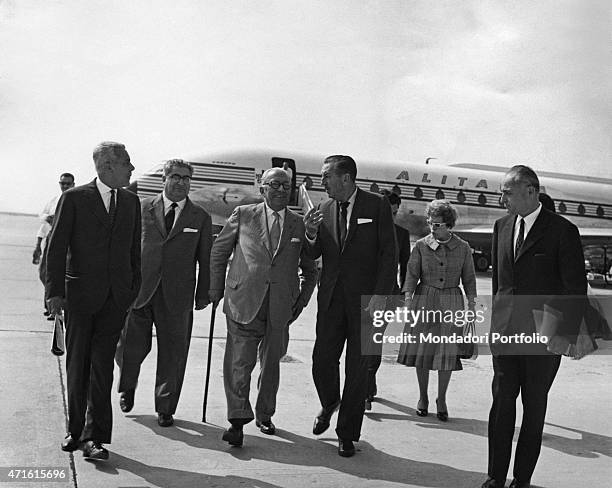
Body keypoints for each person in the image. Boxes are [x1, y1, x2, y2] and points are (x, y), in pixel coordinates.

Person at [482, 165, 586, 488]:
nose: (502, 199)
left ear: (531, 191)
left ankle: (521, 479)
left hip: (544, 338)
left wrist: (564, 335)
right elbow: (500, 284)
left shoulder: (562, 231)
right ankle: (495, 477)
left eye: (507, 193)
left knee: (533, 407)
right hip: (505, 334)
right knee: (501, 404)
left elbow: (575, 289)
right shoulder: (500, 227)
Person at [46, 142, 141, 460]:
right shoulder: (74, 198)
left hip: (115, 299)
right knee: (78, 366)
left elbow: (133, 253)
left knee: (102, 368)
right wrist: (54, 293)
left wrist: (132, 289)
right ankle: (75, 430)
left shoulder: (131, 202)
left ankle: (94, 436)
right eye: (127, 162)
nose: (132, 168)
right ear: (108, 166)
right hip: (80, 297)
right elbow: (57, 247)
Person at [209, 167, 317, 447]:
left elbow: (311, 269)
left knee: (271, 365)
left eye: (286, 185)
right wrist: (216, 289)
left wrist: (301, 301)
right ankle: (236, 421)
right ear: (262, 188)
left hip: (281, 308)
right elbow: (219, 252)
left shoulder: (298, 224)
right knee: (239, 364)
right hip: (243, 301)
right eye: (275, 184)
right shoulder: (243, 215)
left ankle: (265, 414)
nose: (281, 189)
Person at [303, 155, 397, 457]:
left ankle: (347, 433)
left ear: (346, 178)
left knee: (358, 369)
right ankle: (330, 402)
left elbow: (388, 254)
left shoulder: (376, 205)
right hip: (331, 299)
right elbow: (315, 251)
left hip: (367, 303)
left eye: (326, 176)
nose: (322, 182)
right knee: (321, 360)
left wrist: (381, 297)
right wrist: (311, 233)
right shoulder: (322, 209)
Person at [116, 159, 212, 427]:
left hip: (177, 296)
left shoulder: (200, 217)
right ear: (164, 179)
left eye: (186, 178)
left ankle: (166, 406)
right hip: (139, 291)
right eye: (176, 177)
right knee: (129, 347)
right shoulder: (142, 207)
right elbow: (127, 250)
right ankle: (128, 385)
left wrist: (203, 292)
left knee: (174, 352)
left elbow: (205, 258)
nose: (181, 182)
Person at [397, 200, 476, 421]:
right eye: (431, 223)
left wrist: (473, 305)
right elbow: (411, 274)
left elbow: (469, 279)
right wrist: (407, 299)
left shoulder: (463, 248)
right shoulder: (421, 245)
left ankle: (441, 399)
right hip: (424, 300)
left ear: (449, 225)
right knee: (422, 352)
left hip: (452, 301)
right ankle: (423, 397)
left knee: (447, 354)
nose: (433, 228)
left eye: (438, 224)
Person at [364, 189, 412, 409]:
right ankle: (364, 383)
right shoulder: (363, 226)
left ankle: (366, 386)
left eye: (394, 213)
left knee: (374, 341)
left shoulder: (401, 234)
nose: (391, 217)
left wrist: (403, 293)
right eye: (387, 212)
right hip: (362, 294)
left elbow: (406, 267)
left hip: (389, 295)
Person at [33, 173, 75, 319]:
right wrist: (38, 245)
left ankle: (57, 308)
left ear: (73, 184)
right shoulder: (54, 200)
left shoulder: (75, 199)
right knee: (45, 273)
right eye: (62, 183)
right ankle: (50, 304)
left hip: (68, 242)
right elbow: (43, 219)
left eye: (68, 184)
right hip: (51, 238)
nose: (65, 186)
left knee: (62, 274)